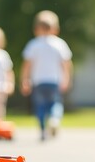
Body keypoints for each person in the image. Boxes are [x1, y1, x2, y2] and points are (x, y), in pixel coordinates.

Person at [20, 10, 73, 141]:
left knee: (40, 106)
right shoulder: (59, 44)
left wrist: (24, 80)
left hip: (38, 82)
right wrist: (67, 78)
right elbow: (66, 63)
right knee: (55, 103)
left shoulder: (33, 44)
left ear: (36, 29)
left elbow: (27, 65)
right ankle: (55, 119)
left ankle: (43, 130)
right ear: (56, 29)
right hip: (54, 81)